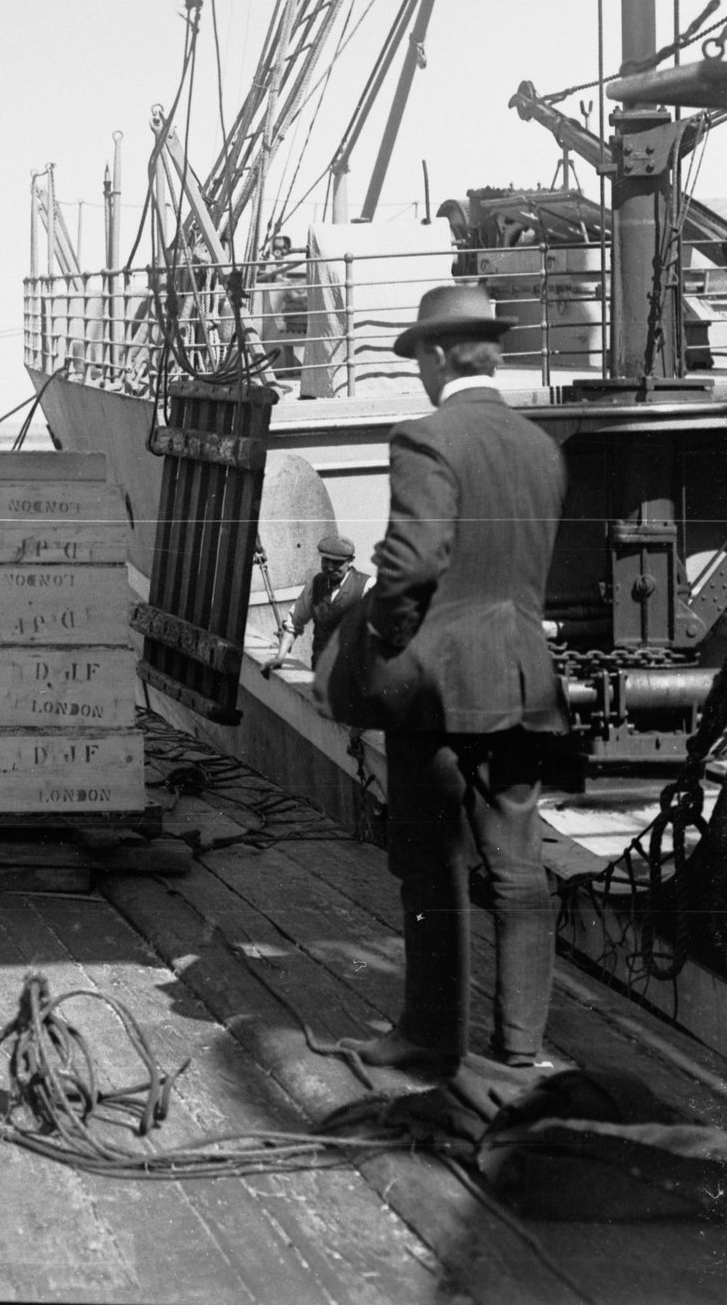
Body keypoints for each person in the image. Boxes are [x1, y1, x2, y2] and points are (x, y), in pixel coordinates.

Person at [339, 283, 568, 1079]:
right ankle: (521, 1052)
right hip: (522, 681)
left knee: (430, 865)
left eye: (419, 360)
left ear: (437, 355)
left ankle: (433, 1039)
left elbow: (414, 561)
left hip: (438, 689)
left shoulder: (426, 437)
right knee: (518, 868)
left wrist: (382, 638)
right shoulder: (541, 447)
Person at [275, 534, 369, 667]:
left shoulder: (367, 586)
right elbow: (294, 622)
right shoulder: (315, 585)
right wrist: (280, 657)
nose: (330, 567)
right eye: (326, 560)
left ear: (350, 561)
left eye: (337, 562)